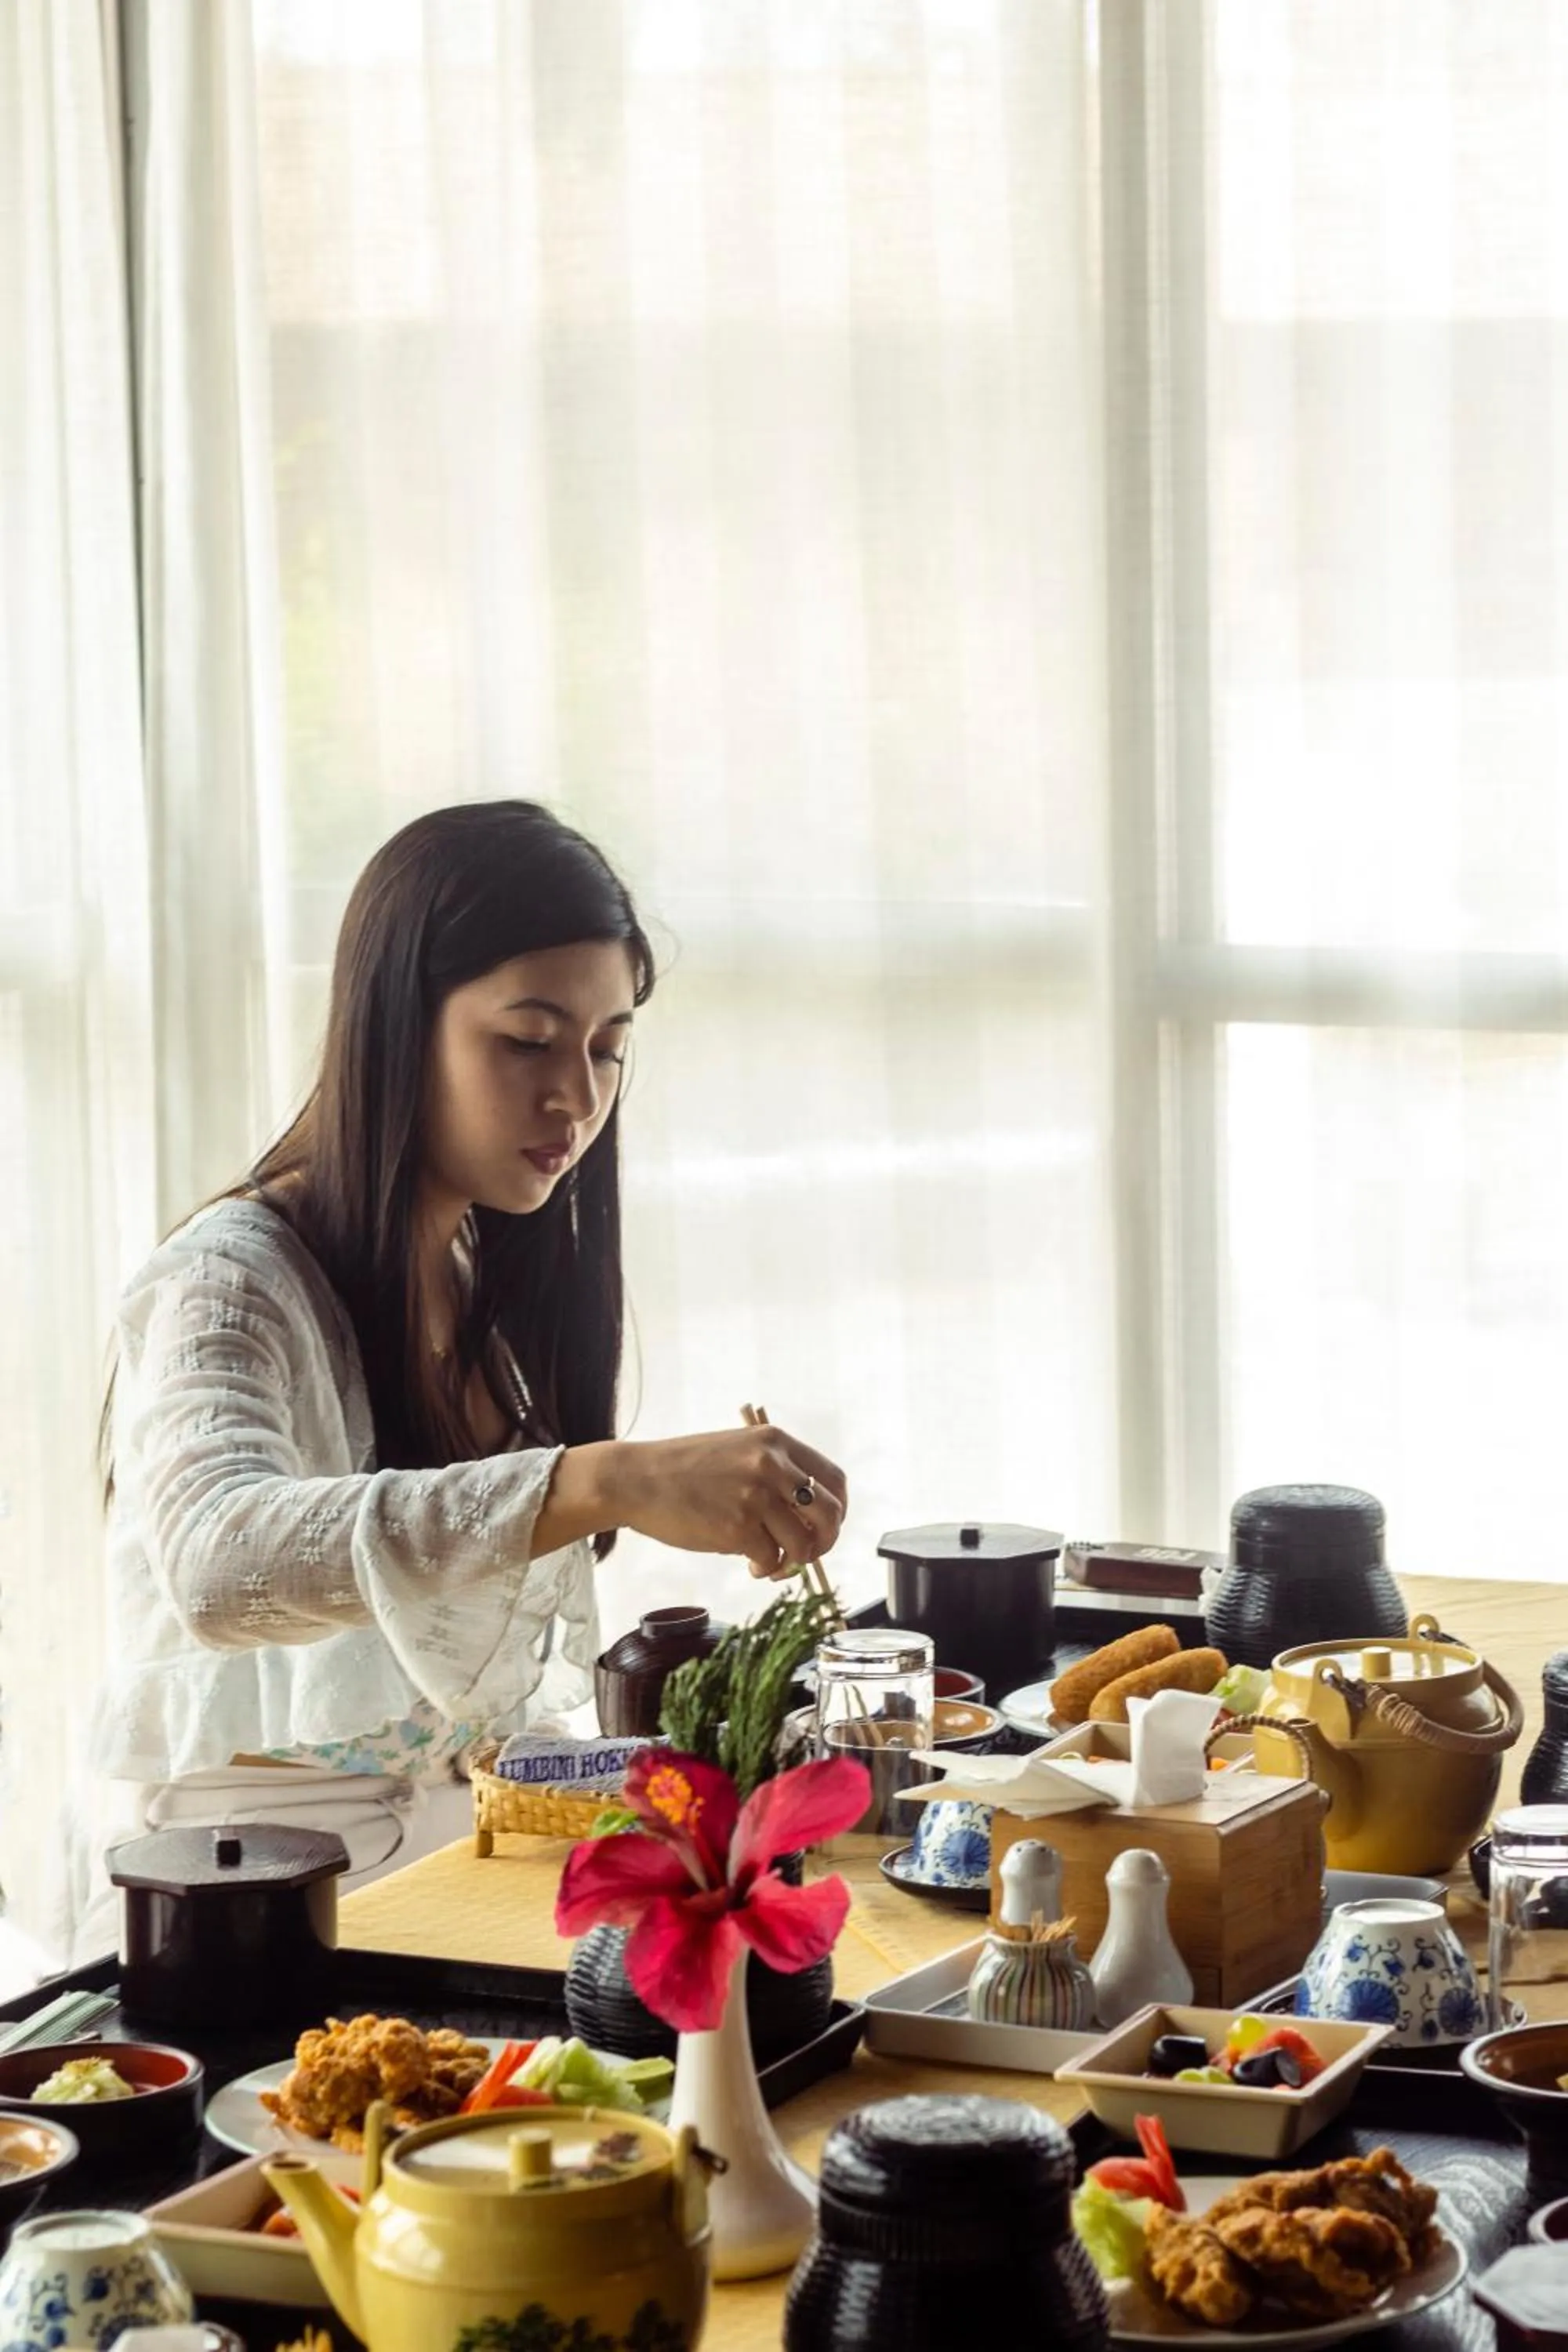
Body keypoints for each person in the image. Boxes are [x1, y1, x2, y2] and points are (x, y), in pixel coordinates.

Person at [58, 801, 846, 1962]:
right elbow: (220, 1565)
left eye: (607, 1046)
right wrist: (605, 1481)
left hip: (459, 1872)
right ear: (394, 1024)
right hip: (252, 1918)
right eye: (527, 1040)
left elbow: (461, 1710)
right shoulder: (227, 1284)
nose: (575, 1097)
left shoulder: (476, 1262)